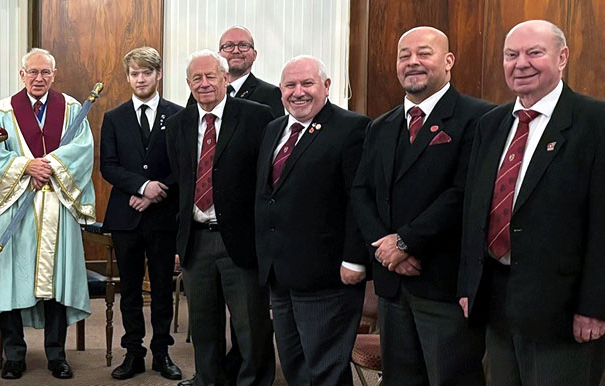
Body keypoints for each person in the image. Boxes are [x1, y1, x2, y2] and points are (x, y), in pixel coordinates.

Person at [459, 19, 605, 385]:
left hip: (564, 312)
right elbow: (474, 212)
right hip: (497, 303)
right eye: (511, 55)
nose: (520, 63)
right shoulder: (490, 124)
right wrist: (468, 286)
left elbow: (603, 225)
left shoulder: (595, 122)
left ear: (563, 57)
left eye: (534, 52)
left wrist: (594, 307)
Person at [350, 26, 493, 386]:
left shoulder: (480, 119)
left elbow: (463, 193)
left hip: (443, 284)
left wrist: (405, 243)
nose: (413, 62)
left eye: (424, 53)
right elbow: (362, 191)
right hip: (393, 285)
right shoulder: (380, 126)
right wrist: (385, 249)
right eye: (404, 55)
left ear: (448, 62)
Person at [0, 48, 95, 381]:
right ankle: (14, 355)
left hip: (58, 204)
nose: (39, 78)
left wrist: (51, 167)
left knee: (56, 282)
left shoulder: (72, 109)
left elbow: (82, 151)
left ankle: (56, 355)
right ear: (21, 75)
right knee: (13, 282)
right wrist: (25, 166)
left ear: (54, 75)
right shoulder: (0, 111)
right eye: (32, 72)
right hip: (16, 204)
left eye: (45, 72)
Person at [254, 55, 369, 386]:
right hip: (280, 274)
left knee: (325, 369)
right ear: (280, 91)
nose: (298, 92)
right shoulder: (274, 129)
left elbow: (358, 201)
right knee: (294, 365)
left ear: (327, 86)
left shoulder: (353, 128)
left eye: (307, 83)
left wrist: (354, 260)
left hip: (328, 276)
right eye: (290, 85)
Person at [165, 50, 277, 386]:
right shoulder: (177, 125)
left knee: (249, 324)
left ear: (225, 78)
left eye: (210, 76)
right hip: (196, 238)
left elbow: (267, 179)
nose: (204, 84)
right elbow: (181, 185)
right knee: (202, 322)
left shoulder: (258, 117)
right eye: (196, 78)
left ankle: (252, 381)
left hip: (240, 239)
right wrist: (179, 241)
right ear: (188, 84)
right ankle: (208, 379)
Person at [99, 45, 185, 381]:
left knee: (163, 288)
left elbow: (183, 165)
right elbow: (108, 166)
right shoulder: (114, 117)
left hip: (163, 215)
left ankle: (162, 353)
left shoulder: (178, 115)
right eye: (134, 74)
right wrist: (140, 187)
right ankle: (133, 352)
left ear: (158, 74)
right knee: (131, 289)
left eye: (146, 73)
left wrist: (154, 192)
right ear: (128, 77)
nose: (140, 79)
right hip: (126, 218)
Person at [188, 26, 283, 116]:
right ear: (219, 55)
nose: (236, 51)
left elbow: (274, 131)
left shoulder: (270, 93)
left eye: (243, 45)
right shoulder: (202, 90)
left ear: (254, 54)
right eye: (228, 46)